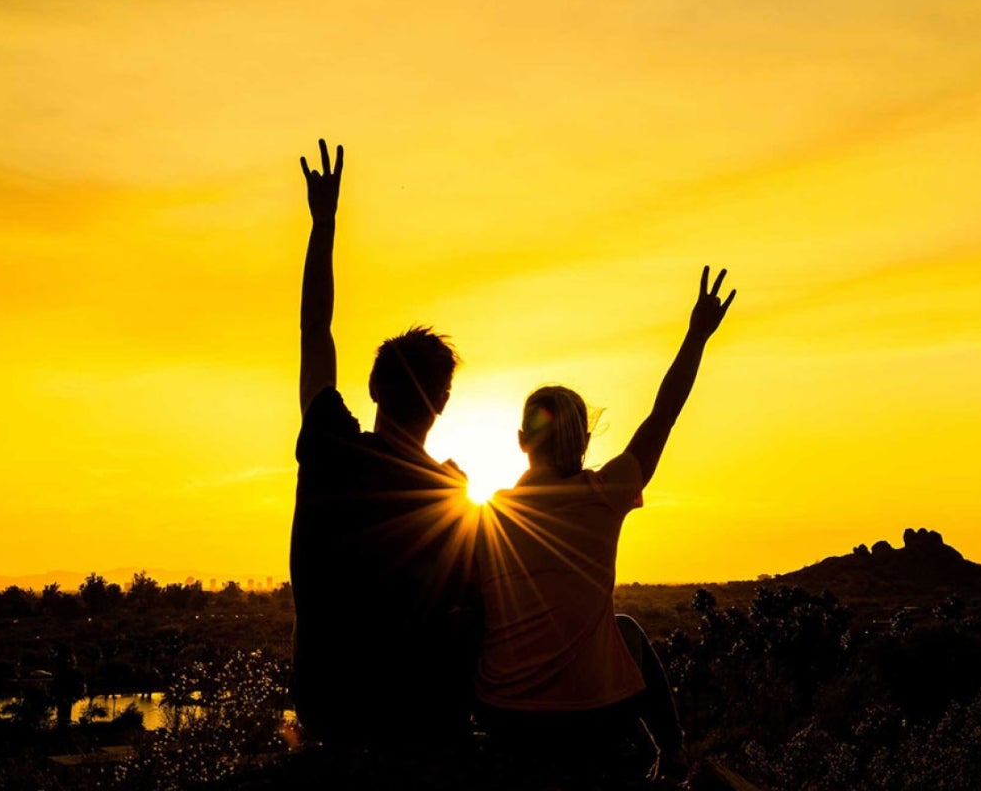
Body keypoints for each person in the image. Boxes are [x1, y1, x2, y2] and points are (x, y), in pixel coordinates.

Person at [474, 266, 736, 784]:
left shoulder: (488, 516)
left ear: (521, 441)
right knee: (626, 630)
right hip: (589, 718)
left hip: (505, 718)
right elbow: (664, 414)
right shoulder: (604, 494)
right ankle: (673, 755)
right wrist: (696, 336)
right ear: (585, 443)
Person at [288, 139, 482, 754]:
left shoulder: (331, 446)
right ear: (444, 404)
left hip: (330, 708)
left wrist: (324, 227)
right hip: (421, 718)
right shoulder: (454, 495)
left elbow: (314, 331)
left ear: (373, 386)